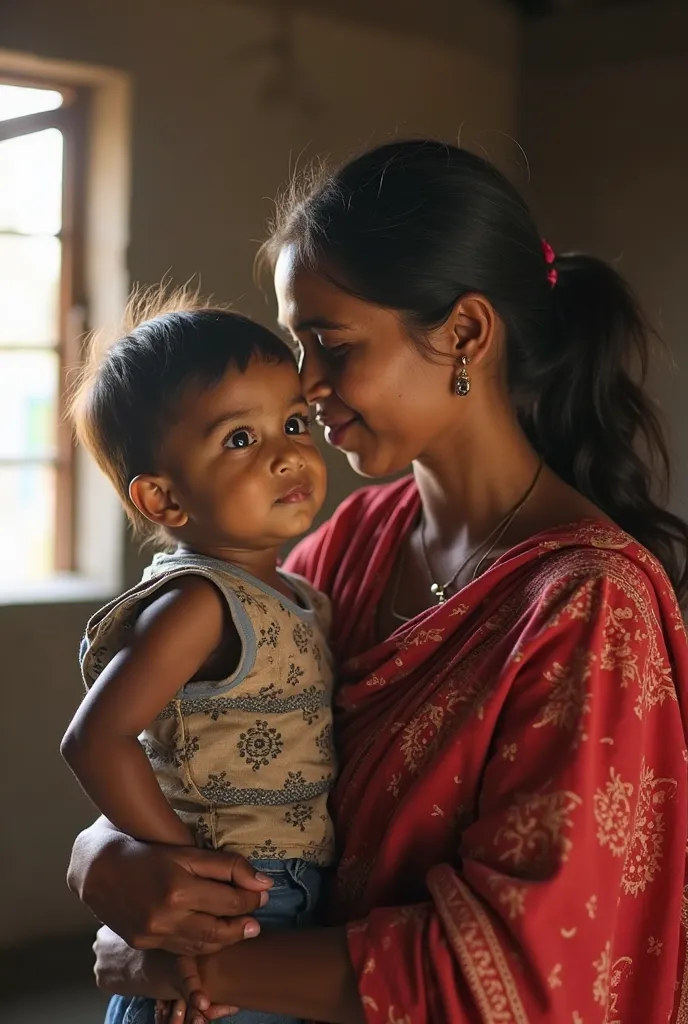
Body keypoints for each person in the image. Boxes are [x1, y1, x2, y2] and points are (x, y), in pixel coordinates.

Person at [69, 140, 688, 1024]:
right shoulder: (354, 543)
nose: (307, 384)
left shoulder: (587, 606)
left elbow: (535, 971)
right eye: (296, 344)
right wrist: (102, 858)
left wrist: (193, 972)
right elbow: (199, 754)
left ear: (466, 333)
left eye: (331, 343)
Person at [62, 290, 335, 1024]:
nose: (287, 452)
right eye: (240, 439)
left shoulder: (300, 591)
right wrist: (176, 861)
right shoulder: (200, 604)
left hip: (290, 895)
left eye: (294, 423)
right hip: (239, 896)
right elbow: (95, 737)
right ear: (163, 500)